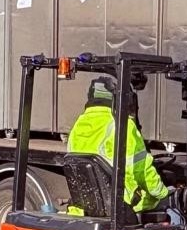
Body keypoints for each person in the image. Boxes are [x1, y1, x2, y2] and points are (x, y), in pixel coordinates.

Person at [67, 76, 171, 214]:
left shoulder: (78, 125)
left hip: (88, 207)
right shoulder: (122, 125)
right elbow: (142, 171)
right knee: (174, 208)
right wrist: (164, 194)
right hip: (124, 206)